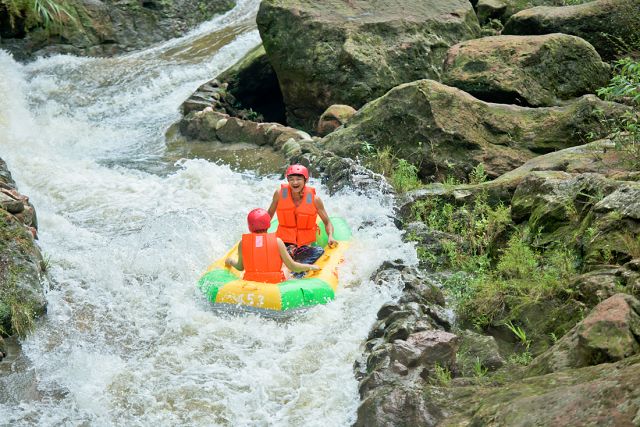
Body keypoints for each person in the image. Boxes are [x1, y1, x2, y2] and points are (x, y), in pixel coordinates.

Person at [267, 164, 336, 277]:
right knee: (285, 256)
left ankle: (295, 273)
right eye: (291, 179)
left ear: (305, 180)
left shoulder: (315, 200)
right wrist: (259, 234)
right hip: (283, 243)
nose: (295, 183)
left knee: (318, 251)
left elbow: (327, 222)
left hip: (304, 245)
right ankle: (284, 273)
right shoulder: (279, 194)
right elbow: (269, 215)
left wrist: (330, 236)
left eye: (298, 179)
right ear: (287, 180)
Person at [225, 208, 320, 282]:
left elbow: (240, 267)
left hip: (251, 280)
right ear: (268, 225)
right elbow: (293, 266)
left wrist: (230, 261)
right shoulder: (277, 241)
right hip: (275, 282)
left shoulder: (243, 243)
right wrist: (310, 267)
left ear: (249, 227)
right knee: (286, 267)